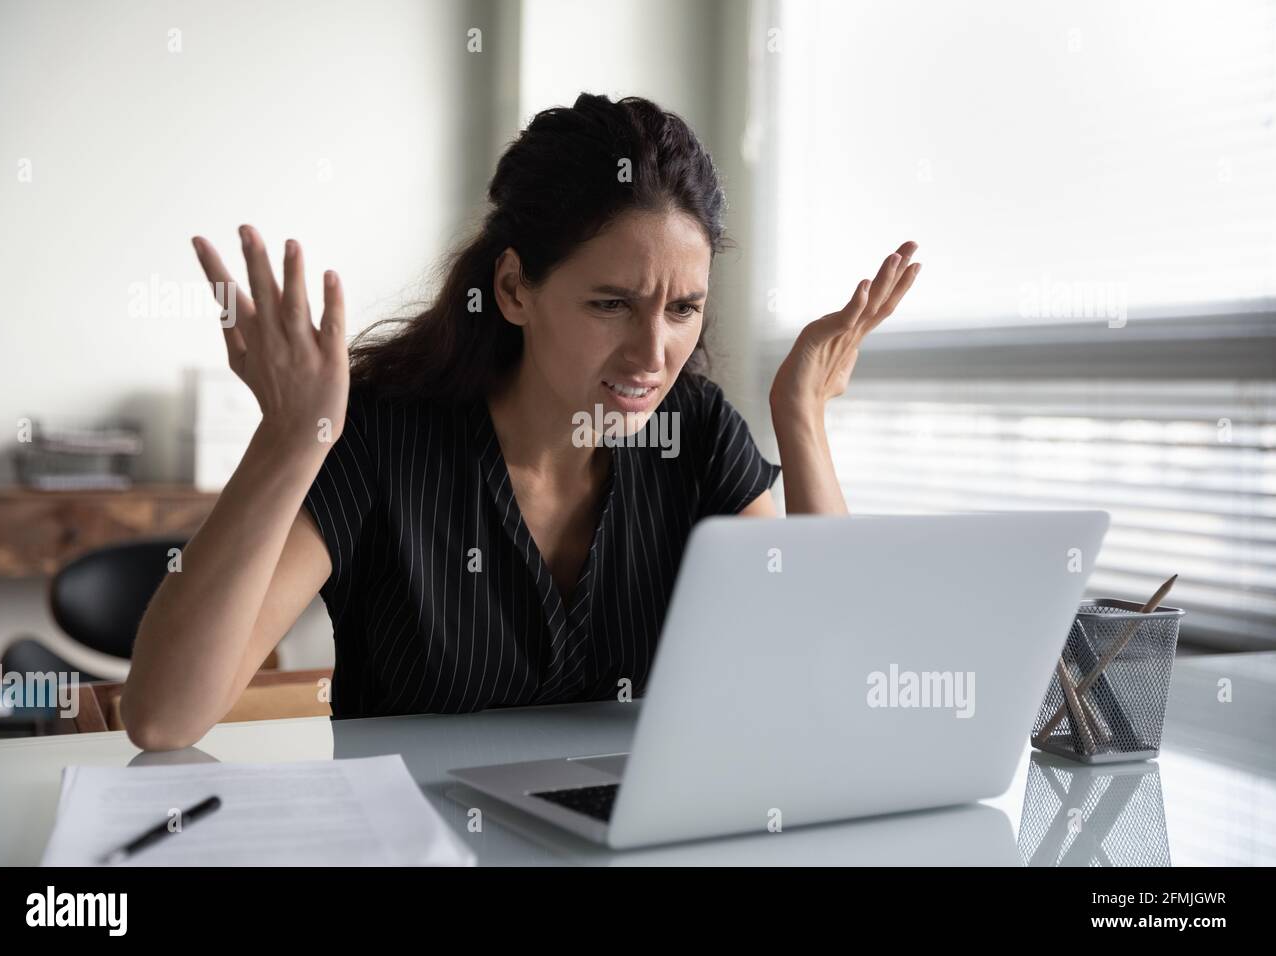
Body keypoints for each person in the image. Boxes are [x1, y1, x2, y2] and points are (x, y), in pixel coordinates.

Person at [122, 92, 920, 751]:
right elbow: (163, 718)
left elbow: (835, 685)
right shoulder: (383, 437)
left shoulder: (697, 431)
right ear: (513, 290)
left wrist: (801, 416)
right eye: (612, 304)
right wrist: (292, 436)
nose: (654, 353)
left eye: (684, 309)